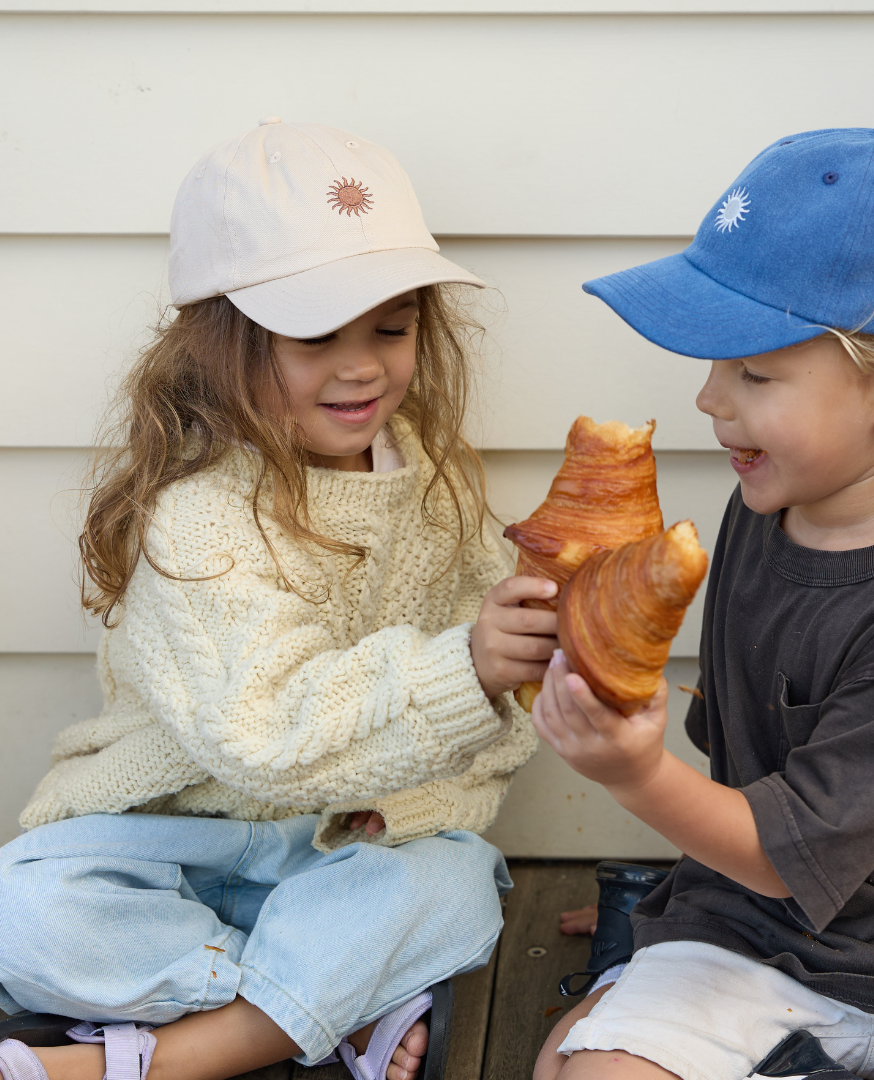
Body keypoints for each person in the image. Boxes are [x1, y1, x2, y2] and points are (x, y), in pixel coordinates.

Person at [0, 119, 560, 1080]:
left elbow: (504, 719)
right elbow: (262, 734)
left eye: (392, 327)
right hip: (164, 836)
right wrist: (463, 666)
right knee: (30, 915)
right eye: (313, 336)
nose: (362, 367)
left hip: (335, 852)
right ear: (221, 343)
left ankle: (161, 1054)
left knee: (456, 882)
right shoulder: (195, 514)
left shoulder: (434, 488)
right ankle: (319, 1012)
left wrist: (428, 795)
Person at [531, 124, 874, 1080]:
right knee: (584, 1067)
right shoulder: (762, 511)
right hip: (746, 934)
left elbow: (789, 850)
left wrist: (635, 778)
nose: (711, 399)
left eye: (754, 372)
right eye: (715, 367)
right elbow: (748, 809)